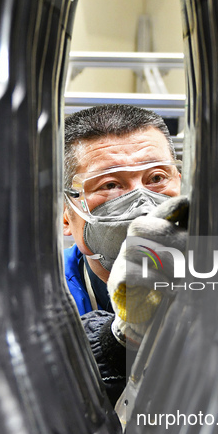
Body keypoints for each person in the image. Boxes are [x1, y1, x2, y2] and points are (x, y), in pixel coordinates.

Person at [63, 104, 185, 404]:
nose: (142, 201)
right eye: (111, 184)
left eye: (156, 178)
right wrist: (118, 339)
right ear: (66, 215)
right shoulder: (44, 293)